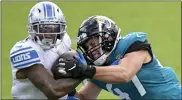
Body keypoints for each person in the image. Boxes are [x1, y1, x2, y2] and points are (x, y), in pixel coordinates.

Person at [56, 15, 181, 99]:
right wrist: (67, 88)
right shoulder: (97, 69)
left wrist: (85, 70)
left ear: (108, 37)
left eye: (93, 44)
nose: (91, 50)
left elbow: (125, 73)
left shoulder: (131, 45)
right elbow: (84, 97)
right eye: (87, 47)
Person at [9, 1, 82, 99]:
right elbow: (53, 91)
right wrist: (85, 72)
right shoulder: (25, 50)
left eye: (54, 28)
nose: (48, 34)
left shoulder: (64, 41)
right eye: (43, 29)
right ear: (32, 28)